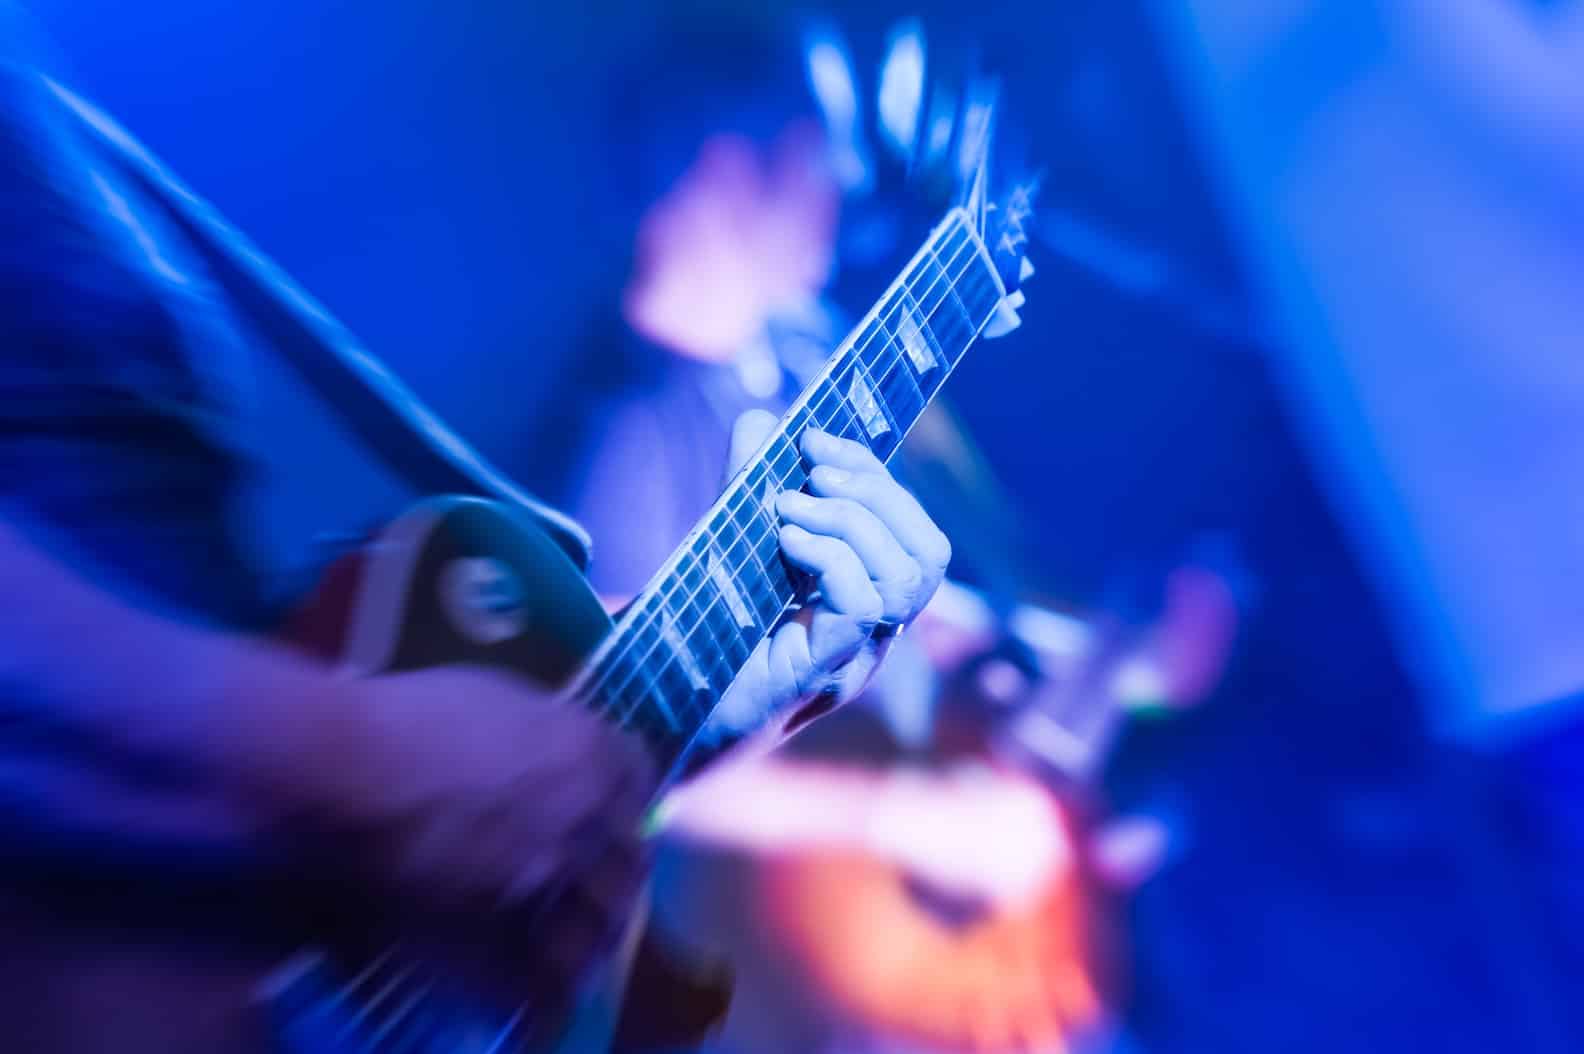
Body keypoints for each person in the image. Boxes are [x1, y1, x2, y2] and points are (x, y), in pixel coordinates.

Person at [0, 16, 951, 1052]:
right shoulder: (619, 418)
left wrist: (687, 707)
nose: (848, 195)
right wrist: (348, 761)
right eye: (825, 162)